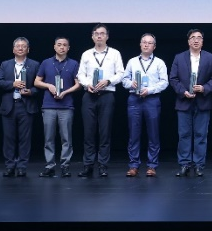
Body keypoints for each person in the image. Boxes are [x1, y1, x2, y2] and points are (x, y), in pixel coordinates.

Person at [169, 29, 212, 178]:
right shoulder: (179, 57)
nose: (196, 40)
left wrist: (204, 88)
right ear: (188, 41)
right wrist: (183, 91)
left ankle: (199, 165)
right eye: (193, 37)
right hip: (184, 101)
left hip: (203, 101)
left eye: (199, 38)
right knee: (184, 134)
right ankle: (184, 164)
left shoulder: (210, 57)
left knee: (201, 135)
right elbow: (173, 78)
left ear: (202, 41)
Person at [77, 23, 124, 178]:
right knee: (88, 132)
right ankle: (88, 165)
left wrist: (108, 81)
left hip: (107, 95)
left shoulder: (115, 53)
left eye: (102, 33)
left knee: (105, 132)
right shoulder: (86, 54)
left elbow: (121, 73)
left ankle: (103, 165)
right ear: (92, 37)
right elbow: (81, 74)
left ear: (107, 36)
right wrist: (87, 84)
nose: (99, 36)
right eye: (96, 33)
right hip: (89, 95)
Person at [121, 33, 168, 177]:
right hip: (134, 99)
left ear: (154, 46)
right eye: (144, 42)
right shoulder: (132, 61)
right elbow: (124, 80)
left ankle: (152, 166)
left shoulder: (159, 62)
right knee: (134, 134)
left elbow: (164, 82)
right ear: (140, 44)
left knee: (153, 133)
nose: (146, 45)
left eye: (150, 43)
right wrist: (131, 83)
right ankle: (133, 165)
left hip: (151, 99)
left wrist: (150, 90)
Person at [34, 37, 81, 177]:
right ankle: (50, 166)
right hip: (49, 105)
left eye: (64, 45)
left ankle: (65, 166)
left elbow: (78, 84)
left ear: (68, 48)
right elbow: (37, 82)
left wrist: (66, 92)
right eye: (59, 45)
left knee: (66, 138)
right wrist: (48, 85)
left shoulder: (73, 63)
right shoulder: (46, 63)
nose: (62, 47)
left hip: (66, 105)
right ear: (54, 47)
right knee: (49, 138)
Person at [0, 37, 40, 177]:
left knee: (25, 138)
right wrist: (12, 84)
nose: (20, 48)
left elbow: (39, 86)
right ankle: (9, 166)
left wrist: (31, 91)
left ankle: (22, 167)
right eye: (18, 46)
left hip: (26, 106)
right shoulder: (5, 64)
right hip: (9, 106)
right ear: (13, 49)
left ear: (28, 49)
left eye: (23, 46)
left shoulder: (35, 65)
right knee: (9, 138)